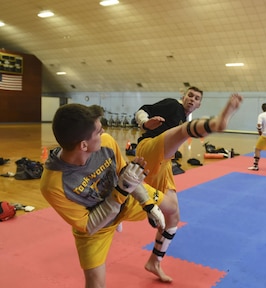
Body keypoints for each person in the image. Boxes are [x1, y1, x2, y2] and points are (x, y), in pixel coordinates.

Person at [40, 104, 166, 288]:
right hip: (96, 226)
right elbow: (88, 225)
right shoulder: (52, 185)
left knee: (171, 208)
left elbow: (125, 174)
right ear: (83, 145)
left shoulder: (106, 142)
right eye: (98, 131)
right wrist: (121, 192)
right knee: (95, 283)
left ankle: (155, 261)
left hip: (124, 199)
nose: (104, 132)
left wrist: (148, 204)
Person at [134, 90, 243, 282]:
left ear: (199, 104)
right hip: (149, 147)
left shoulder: (182, 117)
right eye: (190, 95)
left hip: (163, 162)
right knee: (184, 131)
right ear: (183, 96)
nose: (192, 99)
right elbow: (143, 110)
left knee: (173, 216)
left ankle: (154, 261)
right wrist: (145, 123)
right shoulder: (172, 105)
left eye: (197, 98)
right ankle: (217, 123)